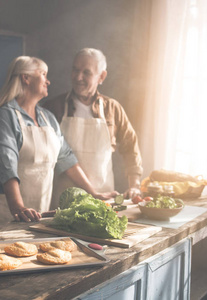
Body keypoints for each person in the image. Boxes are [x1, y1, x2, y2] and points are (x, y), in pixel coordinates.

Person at [0, 56, 116, 229]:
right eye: (43, 74)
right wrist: (17, 207)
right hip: (7, 210)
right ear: (26, 78)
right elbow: (7, 164)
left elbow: (66, 159)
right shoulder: (5, 116)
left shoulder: (47, 118)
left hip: (37, 212)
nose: (48, 81)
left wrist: (93, 193)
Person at [42, 48, 143, 209]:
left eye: (86, 72)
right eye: (75, 69)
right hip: (63, 199)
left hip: (104, 197)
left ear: (101, 76)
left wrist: (135, 184)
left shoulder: (113, 109)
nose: (78, 77)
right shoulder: (54, 107)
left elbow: (131, 147)